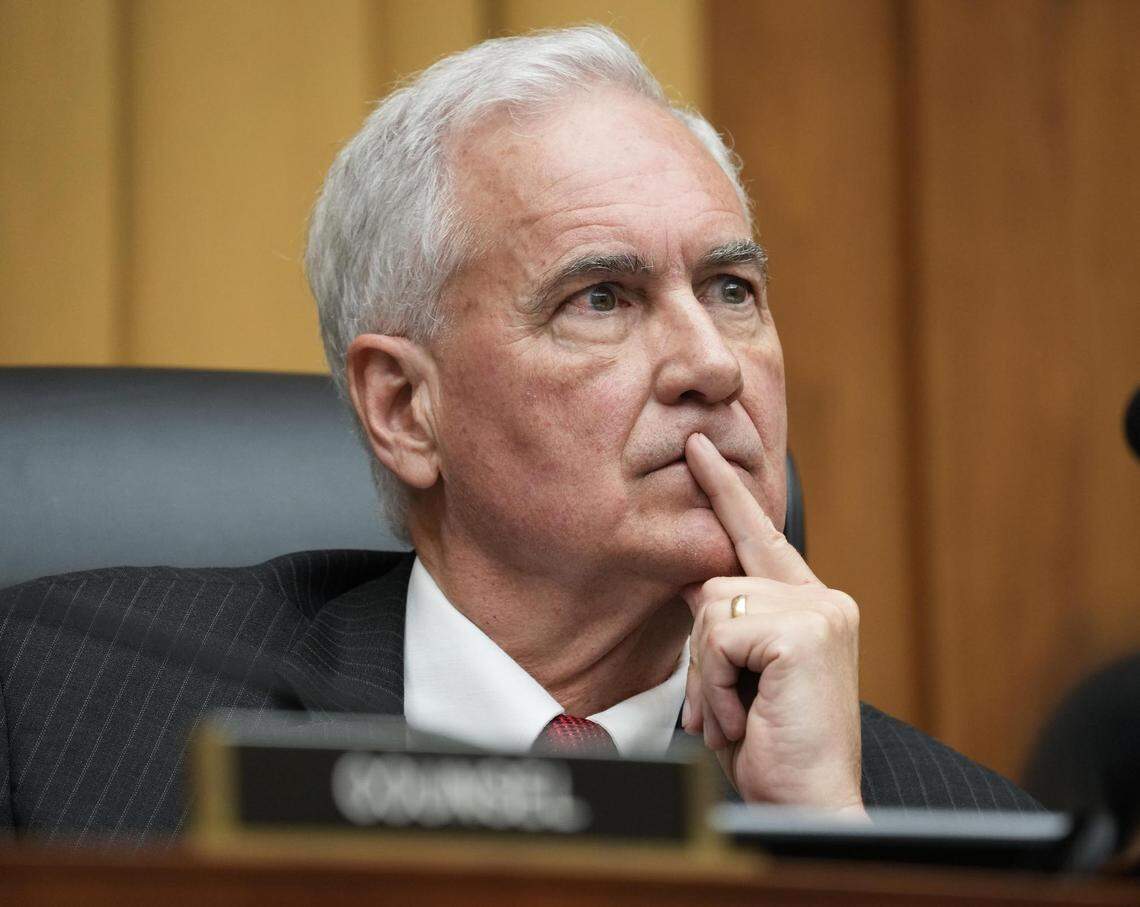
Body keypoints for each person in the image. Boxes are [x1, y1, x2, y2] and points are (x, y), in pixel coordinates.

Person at [0, 26, 1037, 841]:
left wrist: (822, 856)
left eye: (731, 288)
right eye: (601, 299)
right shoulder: (62, 701)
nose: (712, 364)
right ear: (407, 410)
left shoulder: (966, 835)